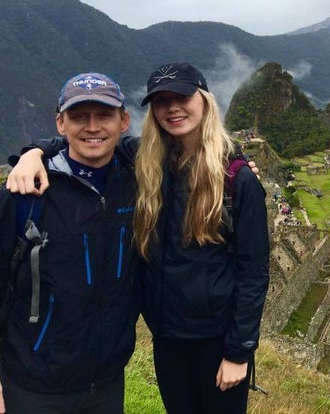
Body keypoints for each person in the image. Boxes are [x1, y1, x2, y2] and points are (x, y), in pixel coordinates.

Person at [7, 62, 270, 414]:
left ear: (204, 100)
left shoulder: (235, 179)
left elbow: (254, 271)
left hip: (212, 338)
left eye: (182, 96)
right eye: (162, 100)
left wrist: (239, 351)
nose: (173, 107)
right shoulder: (145, 163)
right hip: (164, 336)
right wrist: (34, 152)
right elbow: (86, 139)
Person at [0, 73, 139, 414]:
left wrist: (238, 169)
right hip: (33, 383)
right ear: (61, 123)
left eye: (104, 115)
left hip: (106, 381)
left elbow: (193, 154)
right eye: (79, 117)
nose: (92, 127)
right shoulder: (25, 194)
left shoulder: (138, 183)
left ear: (123, 121)